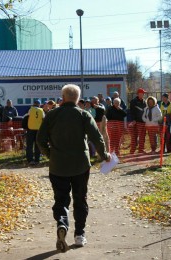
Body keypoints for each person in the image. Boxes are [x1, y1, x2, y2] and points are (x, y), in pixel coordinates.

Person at [37, 84, 110, 252]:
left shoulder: (52, 115)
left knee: (61, 199)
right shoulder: (84, 115)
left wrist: (50, 154)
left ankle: (62, 224)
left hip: (57, 166)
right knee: (80, 199)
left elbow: (40, 140)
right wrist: (104, 155)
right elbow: (96, 138)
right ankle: (79, 235)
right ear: (78, 99)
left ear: (63, 98)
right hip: (80, 165)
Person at [26, 99, 45, 165]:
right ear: (39, 104)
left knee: (29, 146)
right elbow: (43, 119)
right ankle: (37, 160)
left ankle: (30, 160)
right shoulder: (41, 110)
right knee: (37, 145)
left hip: (30, 129)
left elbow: (27, 117)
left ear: (34, 104)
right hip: (38, 130)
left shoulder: (31, 110)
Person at [129, 88, 147, 154]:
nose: (143, 94)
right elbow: (131, 111)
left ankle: (141, 149)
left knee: (142, 136)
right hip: (135, 122)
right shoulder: (133, 101)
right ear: (138, 94)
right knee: (134, 136)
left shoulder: (145, 102)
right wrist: (133, 120)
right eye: (142, 93)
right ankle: (132, 150)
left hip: (142, 122)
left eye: (143, 93)